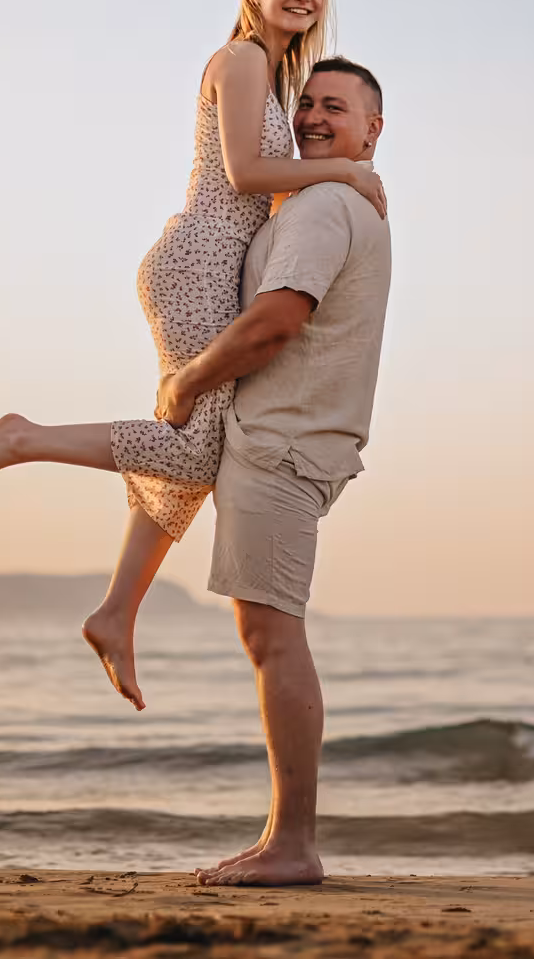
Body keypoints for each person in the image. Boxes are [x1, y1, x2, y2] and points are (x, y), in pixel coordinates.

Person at [0, 0, 385, 712]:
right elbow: (248, 174)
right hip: (203, 262)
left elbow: (262, 181)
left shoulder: (275, 76)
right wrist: (346, 168)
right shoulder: (244, 60)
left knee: (197, 451)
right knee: (198, 444)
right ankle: (23, 439)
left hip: (210, 262)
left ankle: (116, 611)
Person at [157, 58, 392, 887]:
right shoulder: (332, 198)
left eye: (337, 107)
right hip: (297, 438)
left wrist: (186, 382)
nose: (315, 118)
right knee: (269, 634)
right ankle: (281, 836)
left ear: (373, 128)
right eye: (307, 106)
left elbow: (276, 322)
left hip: (284, 441)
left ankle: (293, 844)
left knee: (272, 636)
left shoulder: (326, 205)